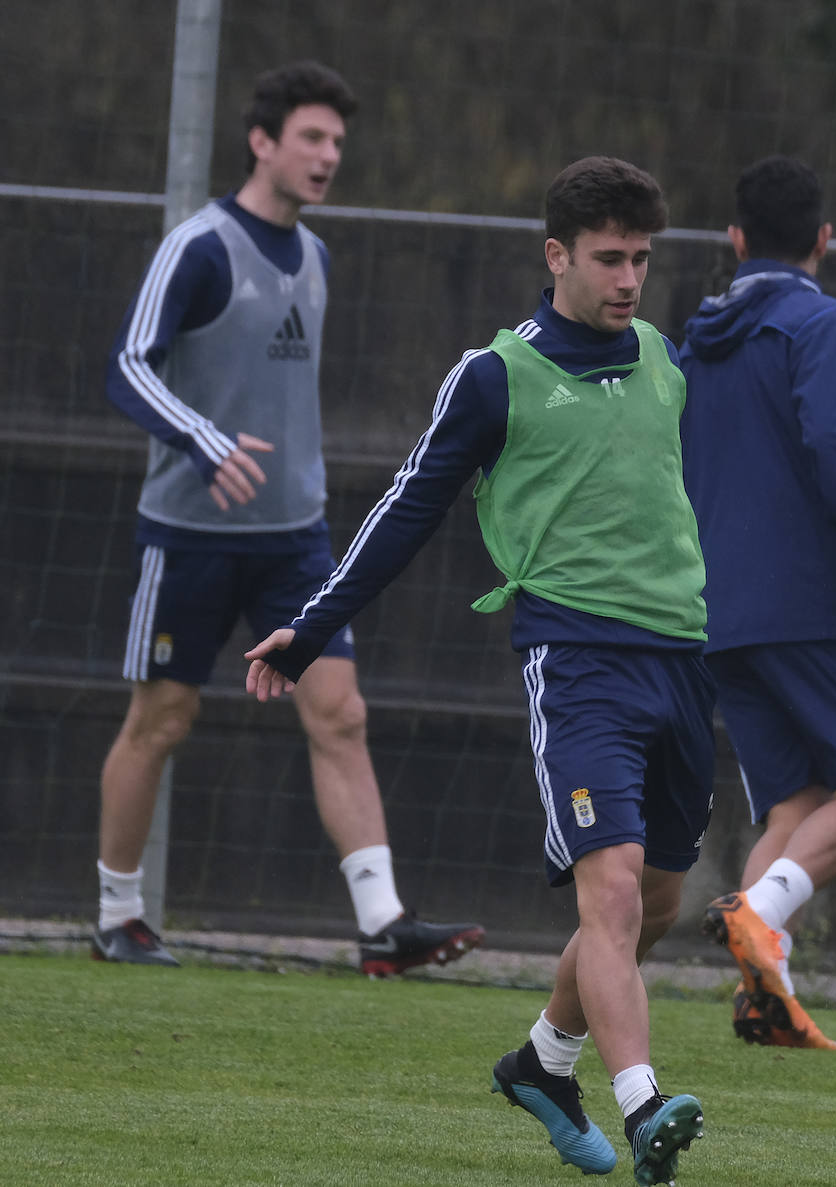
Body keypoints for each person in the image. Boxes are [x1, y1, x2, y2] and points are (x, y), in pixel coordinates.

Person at [244, 156, 709, 1184]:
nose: (629, 277)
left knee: (659, 904)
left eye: (642, 257)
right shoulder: (496, 375)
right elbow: (405, 509)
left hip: (682, 656)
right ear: (556, 257)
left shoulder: (665, 358)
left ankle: (543, 1062)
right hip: (576, 659)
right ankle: (644, 1108)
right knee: (615, 893)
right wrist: (311, 626)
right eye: (608, 258)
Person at [95, 60, 483, 975]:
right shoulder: (198, 245)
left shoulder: (317, 257)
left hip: (295, 541)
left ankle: (384, 925)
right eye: (312, 137)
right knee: (163, 716)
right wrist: (205, 441)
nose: (328, 156)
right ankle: (117, 914)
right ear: (261, 142)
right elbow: (126, 365)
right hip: (188, 536)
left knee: (339, 712)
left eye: (338, 142)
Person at [677, 155, 836, 1050]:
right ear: (824, 240)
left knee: (793, 804)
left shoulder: (693, 341)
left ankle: (761, 998)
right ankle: (758, 912)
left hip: (717, 609)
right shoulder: (823, 323)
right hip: (816, 602)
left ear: (736, 240)